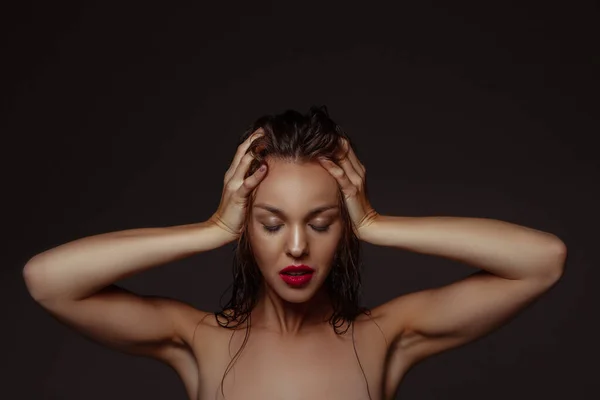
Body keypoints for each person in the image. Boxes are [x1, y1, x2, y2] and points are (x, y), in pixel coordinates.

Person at [23, 106, 567, 400]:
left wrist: (376, 223)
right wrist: (212, 228)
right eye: (271, 222)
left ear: (343, 228)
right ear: (247, 229)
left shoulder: (384, 336)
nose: (298, 245)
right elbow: (47, 279)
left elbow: (542, 261)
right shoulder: (197, 339)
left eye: (322, 222)